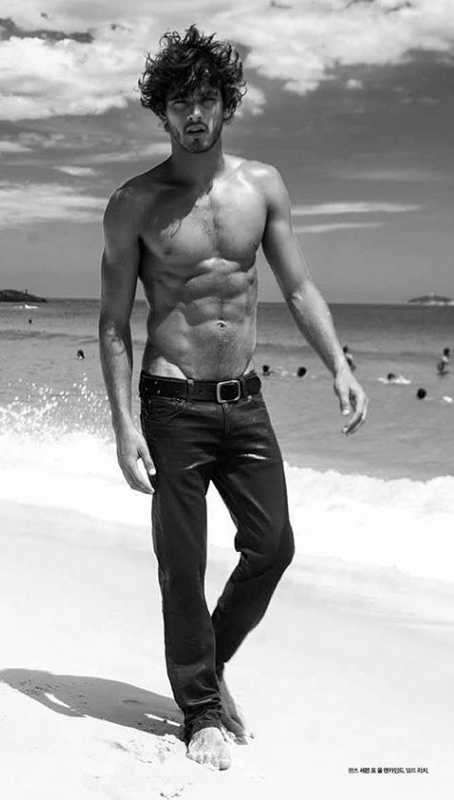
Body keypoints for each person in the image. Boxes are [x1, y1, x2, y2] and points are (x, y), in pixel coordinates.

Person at [99, 25, 367, 772]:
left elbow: (298, 286)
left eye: (207, 99)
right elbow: (113, 322)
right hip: (170, 401)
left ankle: (208, 666)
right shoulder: (134, 203)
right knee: (181, 564)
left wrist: (340, 365)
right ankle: (200, 713)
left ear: (226, 105)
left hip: (244, 400)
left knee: (273, 546)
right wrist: (123, 426)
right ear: (161, 111)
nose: (195, 113)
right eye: (180, 101)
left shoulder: (262, 187)